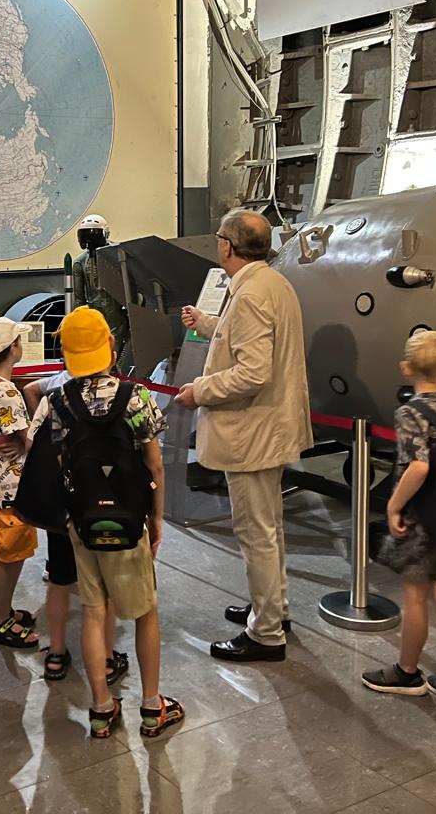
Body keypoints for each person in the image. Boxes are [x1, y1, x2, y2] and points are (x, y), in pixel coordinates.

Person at [28, 307, 182, 739]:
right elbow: (155, 466)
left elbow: (45, 456)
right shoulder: (136, 397)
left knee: (93, 612)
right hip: (129, 521)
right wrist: (156, 520)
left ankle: (100, 709)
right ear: (110, 346)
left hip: (81, 522)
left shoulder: (57, 401)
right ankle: (151, 706)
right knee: (145, 612)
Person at [177, 210, 312, 663]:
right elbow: (244, 336)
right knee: (268, 527)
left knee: (256, 532)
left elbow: (253, 371)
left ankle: (266, 633)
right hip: (268, 427)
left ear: (227, 246)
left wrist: (200, 391)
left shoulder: (251, 293)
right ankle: (272, 608)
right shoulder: (271, 283)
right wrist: (206, 323)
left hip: (253, 431)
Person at [362, 331, 436, 712]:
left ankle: (407, 672)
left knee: (415, 594)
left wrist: (394, 506)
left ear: (406, 368)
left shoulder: (410, 412)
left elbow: (419, 466)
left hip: (422, 515)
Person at [21, 362, 127, 685]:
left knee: (59, 579)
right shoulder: (127, 396)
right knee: (106, 585)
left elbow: (32, 444)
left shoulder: (56, 398)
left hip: (64, 508)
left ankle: (56, 653)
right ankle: (106, 659)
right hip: (108, 508)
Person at [0, 318, 39, 649]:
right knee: (10, 553)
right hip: (9, 485)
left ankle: (5, 610)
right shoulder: (5, 390)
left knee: (13, 550)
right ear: (13, 348)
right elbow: (26, 439)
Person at [72, 214, 131, 374]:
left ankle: (114, 373)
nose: (90, 239)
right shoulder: (79, 262)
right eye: (86, 235)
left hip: (117, 314)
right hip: (95, 316)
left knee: (116, 352)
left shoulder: (119, 256)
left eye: (94, 234)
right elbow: (79, 298)